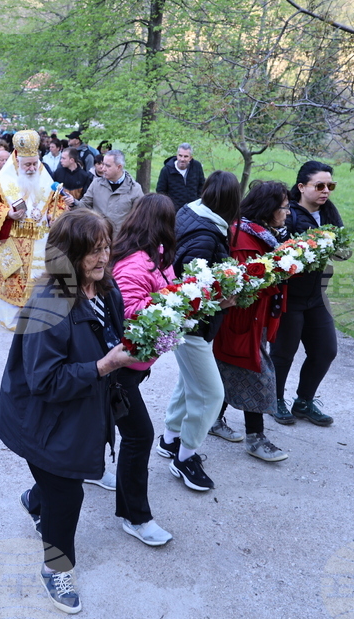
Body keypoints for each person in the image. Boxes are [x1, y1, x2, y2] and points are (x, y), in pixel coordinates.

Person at [0, 209, 162, 616]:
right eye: (92, 251)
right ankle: (56, 568)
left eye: (106, 247)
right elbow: (44, 382)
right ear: (67, 254)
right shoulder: (49, 302)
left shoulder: (105, 290)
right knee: (67, 495)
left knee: (57, 487)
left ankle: (36, 499)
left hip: (83, 411)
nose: (103, 258)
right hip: (45, 420)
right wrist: (104, 366)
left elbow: (113, 335)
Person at [156, 172, 242, 489]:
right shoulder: (207, 236)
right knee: (210, 394)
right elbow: (188, 290)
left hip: (191, 327)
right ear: (232, 203)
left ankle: (169, 439)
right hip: (193, 327)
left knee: (188, 382)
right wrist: (223, 302)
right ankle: (185, 458)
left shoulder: (191, 211)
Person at [108, 194, 181, 524]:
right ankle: (135, 517)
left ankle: (86, 472)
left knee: (92, 425)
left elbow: (171, 289)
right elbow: (127, 316)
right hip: (119, 368)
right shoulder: (136, 263)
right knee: (139, 436)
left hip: (136, 366)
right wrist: (170, 306)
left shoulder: (159, 255)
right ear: (163, 224)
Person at [213, 180, 291, 462]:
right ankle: (255, 439)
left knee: (227, 370)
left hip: (250, 320)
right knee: (257, 374)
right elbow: (245, 285)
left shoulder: (264, 234)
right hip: (241, 320)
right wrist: (280, 273)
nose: (288, 213)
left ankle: (213, 420)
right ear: (269, 209)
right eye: (284, 207)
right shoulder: (243, 240)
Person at [269, 160, 347, 427]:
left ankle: (303, 401)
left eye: (330, 185)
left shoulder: (329, 213)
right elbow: (278, 253)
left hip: (317, 294)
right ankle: (274, 399)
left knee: (325, 350)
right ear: (302, 187)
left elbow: (344, 249)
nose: (326, 191)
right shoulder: (287, 213)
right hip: (290, 294)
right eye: (320, 185)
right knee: (283, 353)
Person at [0, 130, 68, 330]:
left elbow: (59, 203)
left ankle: (37, 317)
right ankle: (12, 320)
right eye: (27, 164)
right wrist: (8, 214)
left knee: (40, 279)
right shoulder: (3, 180)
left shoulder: (44, 176)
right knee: (12, 280)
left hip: (40, 240)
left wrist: (55, 216)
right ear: (18, 161)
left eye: (35, 164)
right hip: (12, 240)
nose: (32, 168)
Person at [71, 150, 143, 235]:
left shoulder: (135, 189)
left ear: (119, 167)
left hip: (121, 243)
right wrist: (73, 202)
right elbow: (85, 206)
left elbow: (140, 219)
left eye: (107, 166)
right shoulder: (96, 184)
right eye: (102, 164)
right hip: (97, 239)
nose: (103, 168)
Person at [155, 143, 205, 212]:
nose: (182, 159)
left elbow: (202, 186)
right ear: (177, 155)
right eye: (180, 155)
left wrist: (197, 203)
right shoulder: (167, 170)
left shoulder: (196, 167)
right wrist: (169, 207)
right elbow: (161, 191)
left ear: (190, 158)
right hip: (173, 211)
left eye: (186, 156)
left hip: (193, 210)